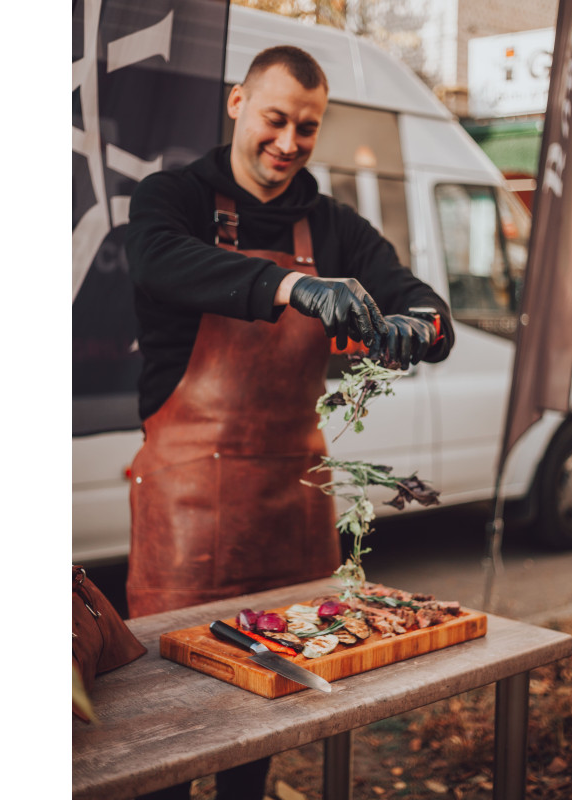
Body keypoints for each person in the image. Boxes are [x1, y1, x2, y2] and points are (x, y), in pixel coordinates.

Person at [124, 45, 454, 800]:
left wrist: (421, 326)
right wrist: (290, 289)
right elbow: (158, 261)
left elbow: (422, 303)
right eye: (275, 119)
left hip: (295, 517)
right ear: (237, 103)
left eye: (307, 127)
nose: (288, 142)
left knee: (266, 717)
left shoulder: (334, 226)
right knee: (166, 730)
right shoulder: (172, 198)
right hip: (186, 519)